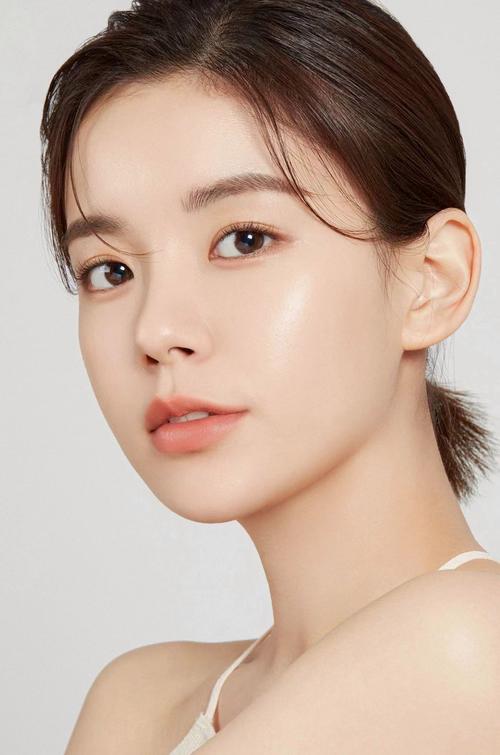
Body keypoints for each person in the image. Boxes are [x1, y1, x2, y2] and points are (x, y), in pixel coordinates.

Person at [39, 0, 500, 752]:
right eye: (109, 269)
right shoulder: (138, 701)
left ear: (433, 281)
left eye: (244, 239)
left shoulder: (473, 648)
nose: (156, 330)